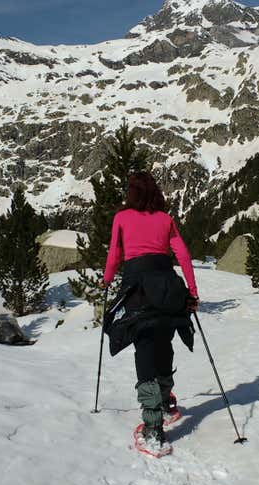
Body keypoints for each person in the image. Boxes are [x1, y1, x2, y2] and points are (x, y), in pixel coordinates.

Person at [102, 171, 199, 449]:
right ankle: (167, 402)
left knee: (144, 345)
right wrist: (191, 291)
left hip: (137, 286)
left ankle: (153, 427)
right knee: (163, 340)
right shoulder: (165, 219)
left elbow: (115, 255)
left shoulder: (122, 218)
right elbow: (183, 255)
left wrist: (107, 280)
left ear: (131, 193)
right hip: (167, 285)